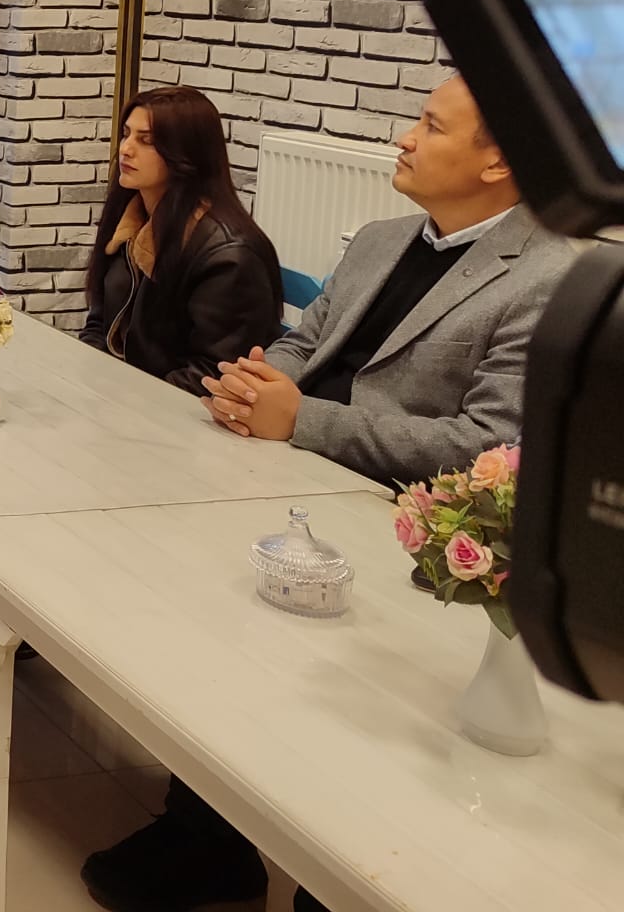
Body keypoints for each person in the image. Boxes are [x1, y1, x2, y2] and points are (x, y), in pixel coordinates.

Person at [80, 74, 576, 912]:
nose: (404, 137)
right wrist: (251, 383)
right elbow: (301, 343)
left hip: (394, 521)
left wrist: (300, 419)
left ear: (498, 161)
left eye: (430, 126)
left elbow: (491, 449)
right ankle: (208, 833)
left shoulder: (550, 277)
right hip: (289, 476)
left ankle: (324, 869)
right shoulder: (384, 239)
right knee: (183, 598)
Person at [81, 85, 284, 393]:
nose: (125, 149)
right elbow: (99, 324)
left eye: (146, 140)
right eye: (126, 134)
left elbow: (212, 375)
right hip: (124, 394)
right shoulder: (130, 217)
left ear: (186, 154)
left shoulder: (231, 255)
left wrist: (118, 399)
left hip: (177, 408)